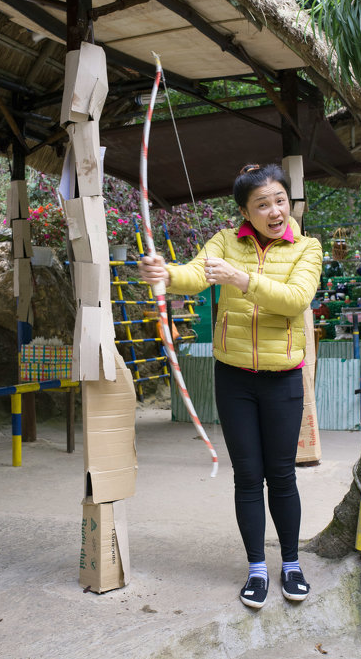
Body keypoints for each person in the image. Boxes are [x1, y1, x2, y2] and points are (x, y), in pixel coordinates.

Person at [138, 163, 322, 609]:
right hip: (234, 377)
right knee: (247, 477)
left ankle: (292, 564)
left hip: (283, 379)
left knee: (281, 476)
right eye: (262, 205)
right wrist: (165, 273)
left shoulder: (307, 248)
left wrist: (242, 280)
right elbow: (197, 274)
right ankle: (257, 568)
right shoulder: (224, 242)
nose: (274, 211)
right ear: (245, 211)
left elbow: (296, 300)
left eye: (279, 200)